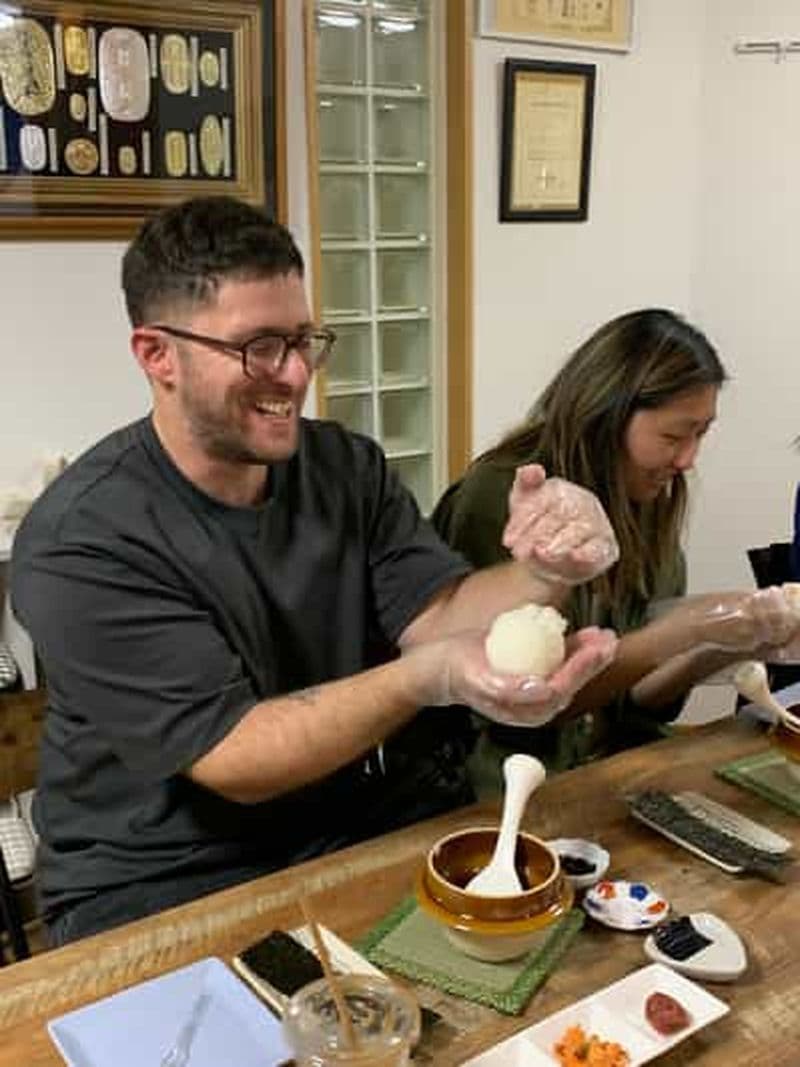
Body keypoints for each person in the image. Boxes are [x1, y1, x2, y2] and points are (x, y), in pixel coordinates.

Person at [10, 196, 619, 945]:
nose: (295, 374)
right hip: (158, 883)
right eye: (259, 346)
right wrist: (429, 675)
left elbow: (439, 612)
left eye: (302, 340)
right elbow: (236, 754)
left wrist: (542, 571)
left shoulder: (343, 466)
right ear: (156, 354)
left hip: (343, 830)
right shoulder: (83, 542)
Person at [433, 308, 800, 777]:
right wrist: (684, 629)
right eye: (673, 436)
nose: (688, 460)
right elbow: (528, 703)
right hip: (503, 777)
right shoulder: (502, 498)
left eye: (701, 434)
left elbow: (637, 701)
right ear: (606, 414)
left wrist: (734, 637)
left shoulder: (650, 499)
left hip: (609, 763)